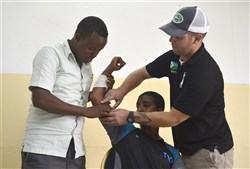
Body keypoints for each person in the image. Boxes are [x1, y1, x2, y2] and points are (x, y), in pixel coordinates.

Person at [100, 6, 234, 169]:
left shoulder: (204, 75)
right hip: (187, 147)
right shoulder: (176, 57)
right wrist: (121, 90)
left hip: (207, 152)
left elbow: (173, 118)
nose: (171, 39)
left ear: (197, 38)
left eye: (178, 36)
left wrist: (129, 116)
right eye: (171, 34)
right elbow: (143, 73)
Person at [21, 16, 115, 169]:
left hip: (74, 150)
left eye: (99, 51)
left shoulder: (86, 66)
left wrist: (105, 84)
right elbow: (40, 98)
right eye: (91, 48)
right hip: (44, 148)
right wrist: (86, 111)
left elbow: (80, 98)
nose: (94, 54)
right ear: (78, 38)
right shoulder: (51, 54)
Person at [90, 58, 184, 169]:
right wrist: (109, 70)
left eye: (146, 105)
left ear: (160, 110)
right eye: (138, 106)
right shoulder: (123, 130)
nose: (139, 109)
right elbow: (96, 99)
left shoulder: (172, 154)